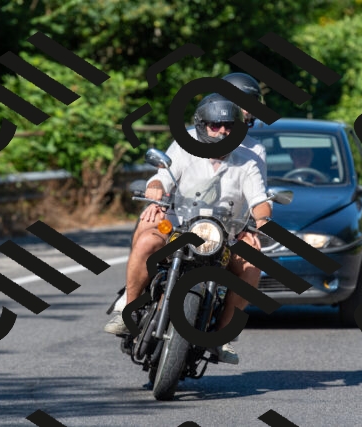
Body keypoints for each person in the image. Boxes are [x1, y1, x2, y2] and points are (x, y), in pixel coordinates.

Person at [104, 94, 272, 365]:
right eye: (215, 125)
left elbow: (259, 200)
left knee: (253, 264)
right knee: (147, 239)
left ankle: (222, 335)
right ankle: (129, 309)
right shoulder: (184, 148)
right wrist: (156, 191)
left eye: (229, 126)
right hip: (177, 228)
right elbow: (162, 177)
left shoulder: (247, 162)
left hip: (224, 236)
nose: (222, 131)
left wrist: (261, 221)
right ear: (203, 126)